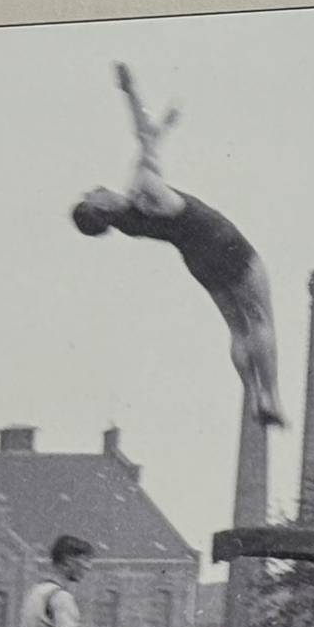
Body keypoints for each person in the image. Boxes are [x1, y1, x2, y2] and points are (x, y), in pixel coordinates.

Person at [71, 63, 284, 427]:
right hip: (221, 240)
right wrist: (130, 91)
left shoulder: (126, 222)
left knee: (237, 328)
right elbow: (144, 139)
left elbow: (149, 146)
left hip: (197, 259)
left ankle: (251, 393)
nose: (94, 187)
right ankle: (272, 395)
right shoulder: (144, 190)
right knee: (261, 317)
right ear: (99, 206)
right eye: (92, 194)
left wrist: (164, 128)